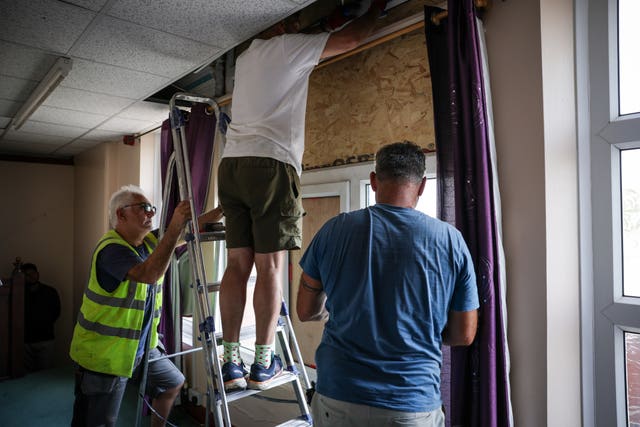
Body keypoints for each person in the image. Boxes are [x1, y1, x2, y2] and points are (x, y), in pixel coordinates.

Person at [217, 0, 389, 392]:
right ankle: (262, 364)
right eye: (291, 18)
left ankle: (230, 363)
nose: (296, 22)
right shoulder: (286, 48)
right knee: (271, 267)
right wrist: (375, 7)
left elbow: (311, 40)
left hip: (232, 166)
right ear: (275, 25)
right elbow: (350, 38)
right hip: (270, 165)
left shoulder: (247, 58)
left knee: (238, 265)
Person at [297, 141, 480, 427]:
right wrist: (414, 329)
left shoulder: (334, 230)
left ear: (373, 180)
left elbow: (306, 311)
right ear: (421, 186)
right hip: (411, 402)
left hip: (339, 394)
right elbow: (464, 334)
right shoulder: (450, 240)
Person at [69, 185, 222, 427]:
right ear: (121, 214)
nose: (151, 213)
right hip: (105, 354)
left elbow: (194, 226)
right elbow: (148, 274)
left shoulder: (149, 243)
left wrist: (225, 207)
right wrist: (173, 230)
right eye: (144, 208)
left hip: (142, 349)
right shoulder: (111, 250)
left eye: (152, 208)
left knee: (172, 383)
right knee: (97, 422)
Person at [22, 262, 61, 372]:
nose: (31, 276)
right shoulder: (19, 294)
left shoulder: (50, 291)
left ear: (38, 274)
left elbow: (56, 312)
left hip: (45, 339)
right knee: (26, 374)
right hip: (25, 340)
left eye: (33, 273)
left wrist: (44, 324)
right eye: (27, 274)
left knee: (45, 373)